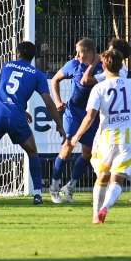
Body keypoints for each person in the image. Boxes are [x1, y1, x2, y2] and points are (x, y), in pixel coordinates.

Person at [0, 41, 66, 205]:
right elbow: (48, 102)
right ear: (33, 56)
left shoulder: (6, 66)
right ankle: (37, 194)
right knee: (32, 152)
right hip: (15, 116)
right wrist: (59, 124)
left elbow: (6, 90)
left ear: (17, 53)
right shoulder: (37, 74)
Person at [70, 48, 131, 223]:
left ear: (103, 65)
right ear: (122, 65)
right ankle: (105, 208)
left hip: (106, 138)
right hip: (128, 138)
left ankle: (96, 215)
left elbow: (90, 117)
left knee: (102, 176)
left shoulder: (99, 88)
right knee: (118, 177)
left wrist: (77, 135)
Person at [49, 38, 101, 203]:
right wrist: (58, 102)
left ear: (90, 52)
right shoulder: (73, 64)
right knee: (68, 146)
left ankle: (70, 187)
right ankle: (54, 187)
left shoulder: (102, 67)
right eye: (76, 52)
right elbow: (55, 79)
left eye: (80, 52)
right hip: (73, 112)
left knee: (88, 152)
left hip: (91, 115)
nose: (77, 56)